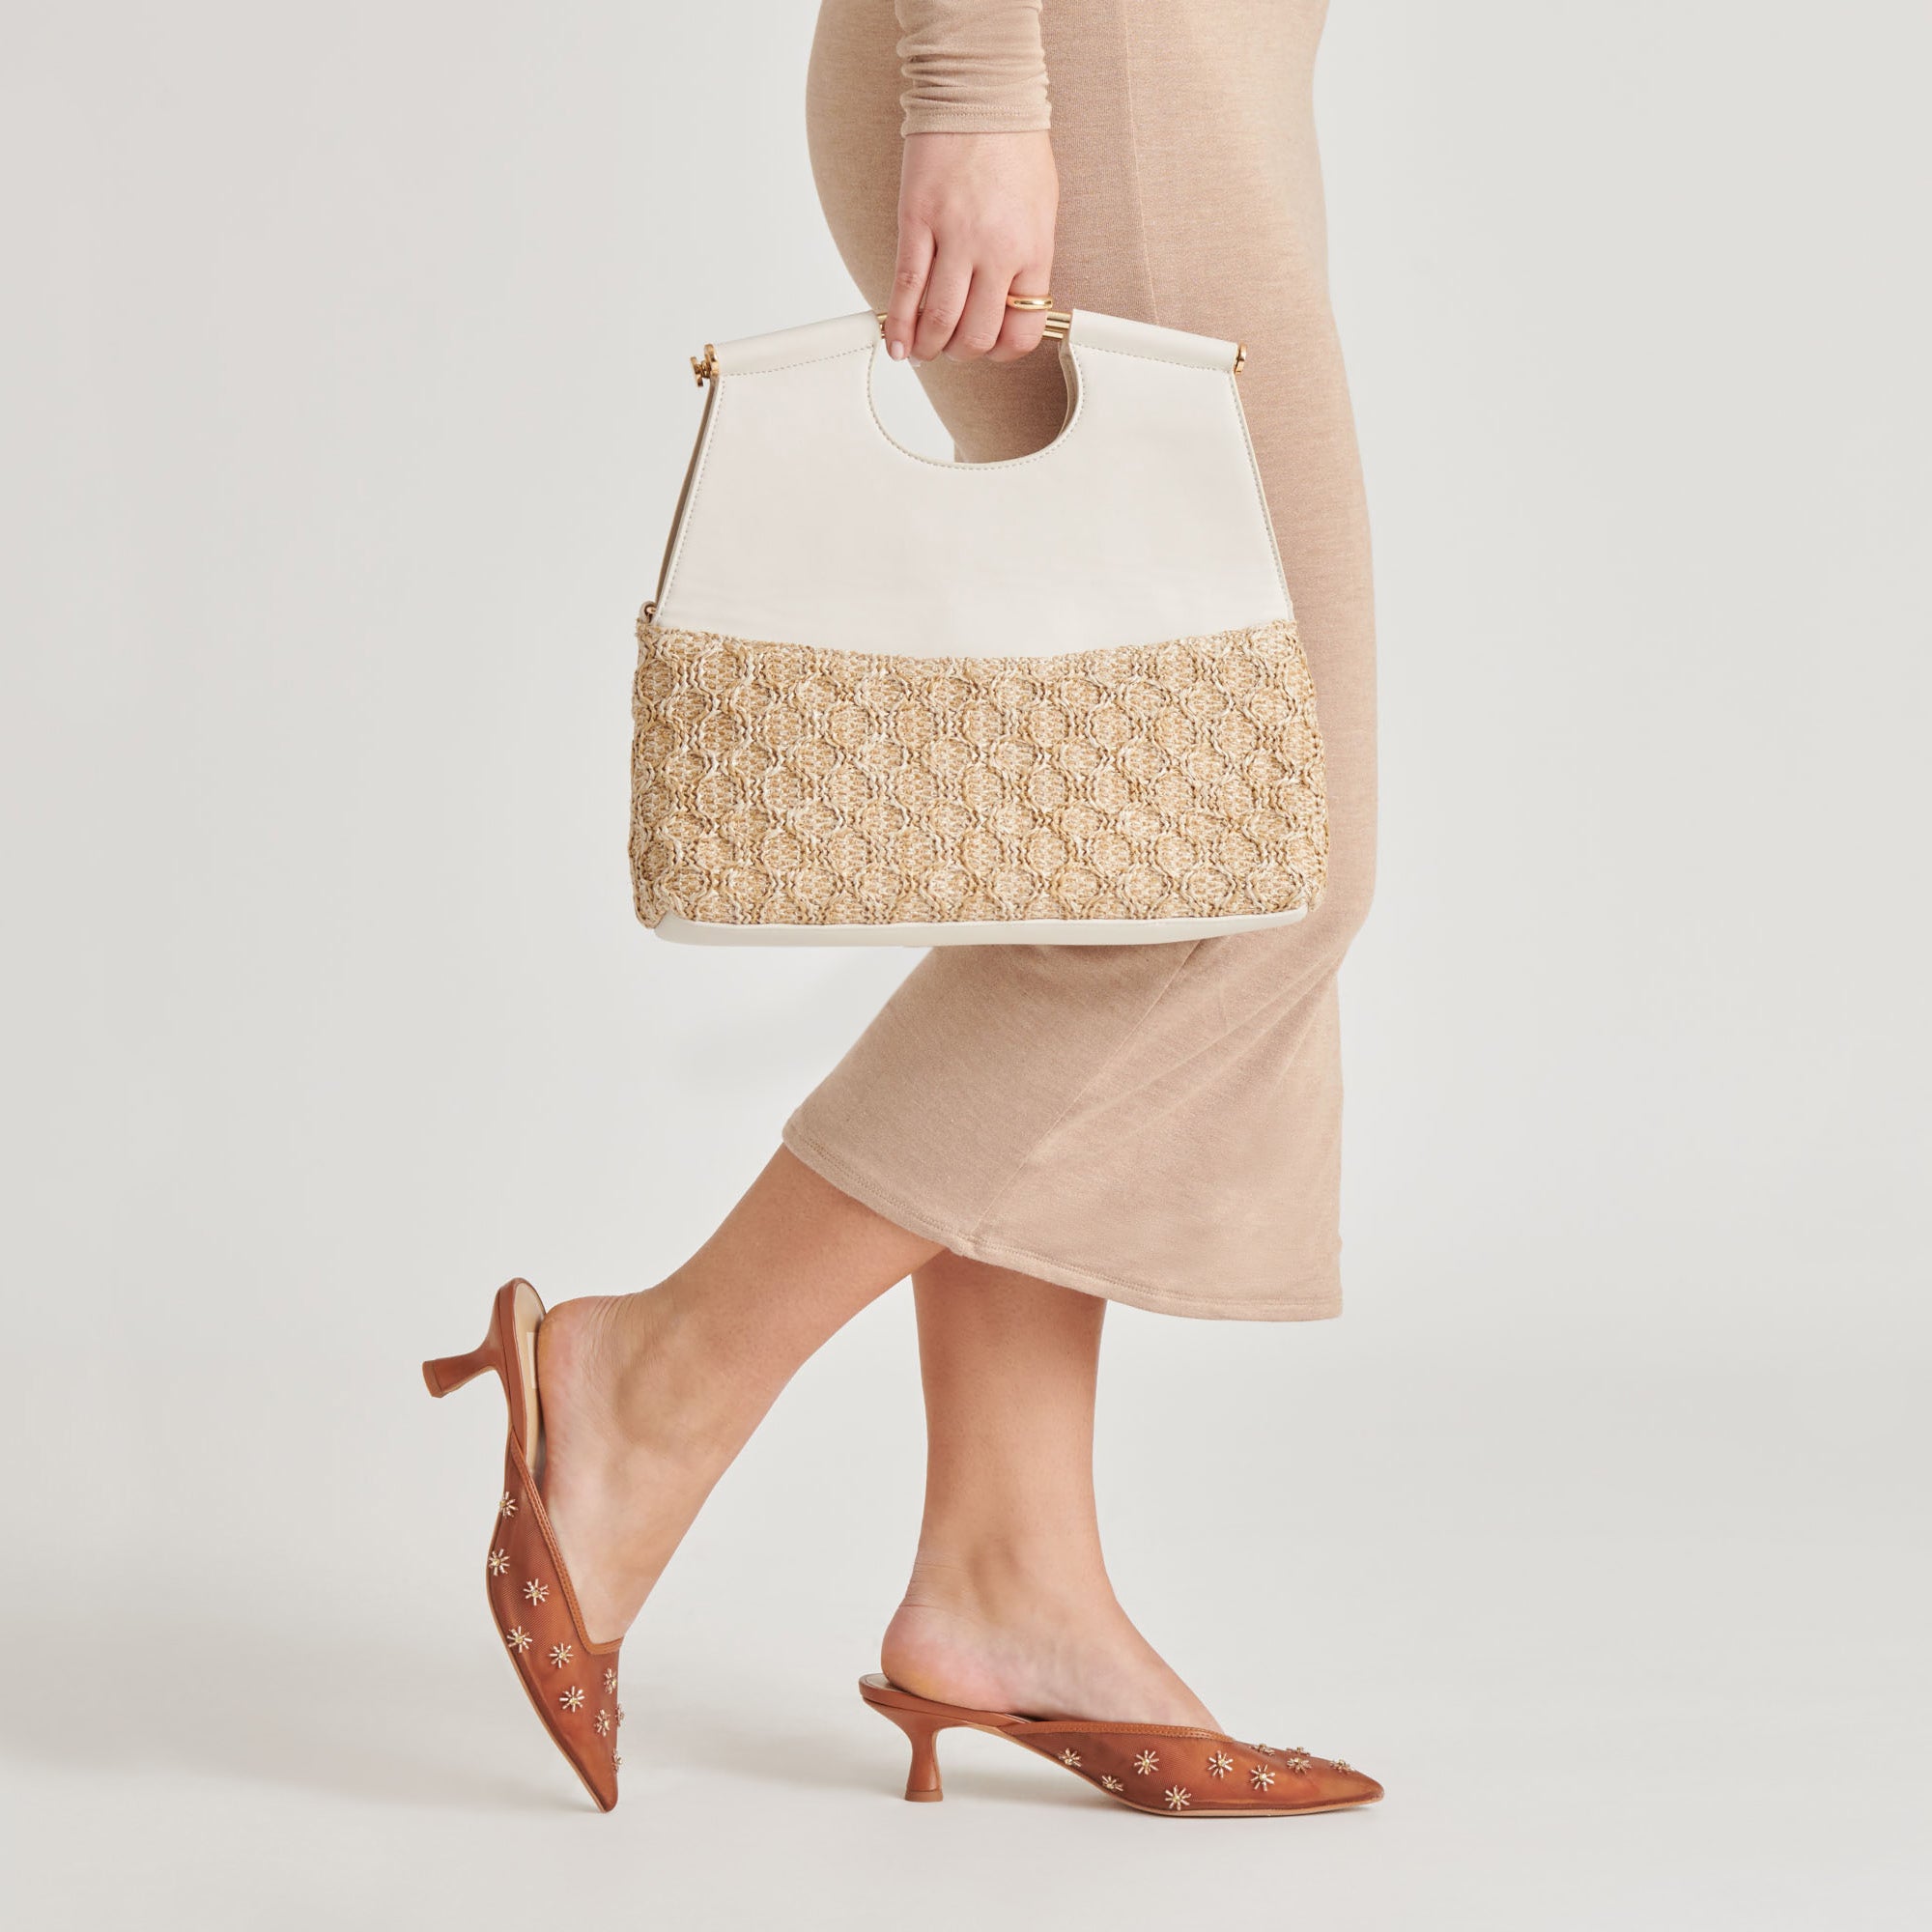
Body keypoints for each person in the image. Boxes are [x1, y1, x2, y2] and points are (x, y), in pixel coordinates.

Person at [424, 0, 1378, 1817]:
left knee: (1126, 852)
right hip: (1089, 60)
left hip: (1186, 73)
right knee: (1250, 851)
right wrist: (979, 86)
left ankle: (1012, 1573)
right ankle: (647, 1384)